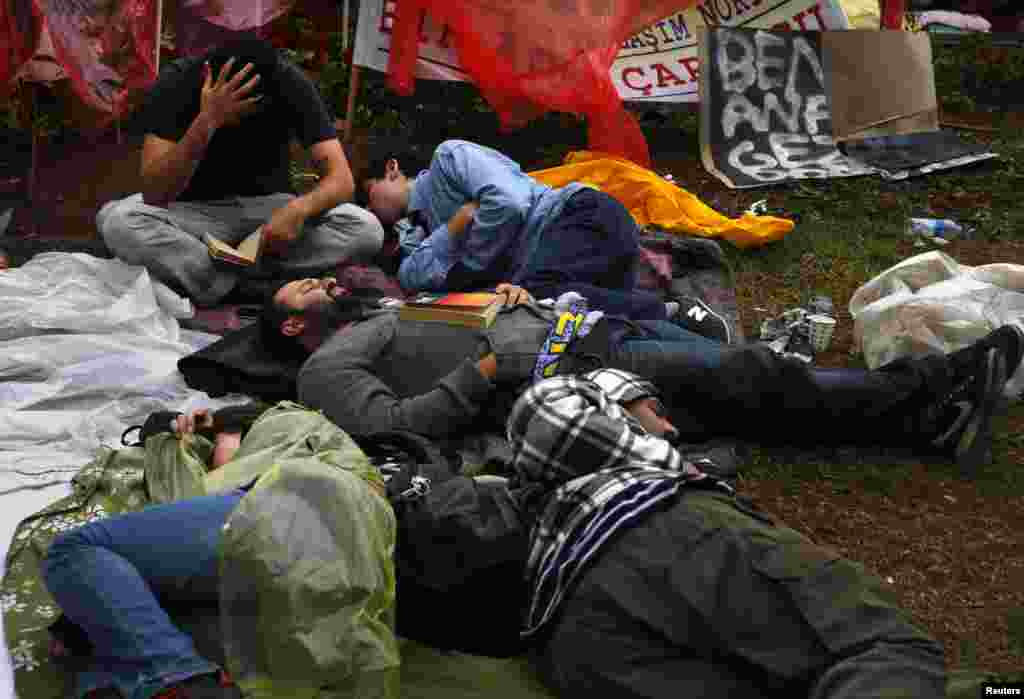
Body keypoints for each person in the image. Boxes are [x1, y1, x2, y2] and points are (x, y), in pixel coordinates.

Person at [266, 275, 1024, 473]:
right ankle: (937, 388)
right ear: (293, 327)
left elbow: (443, 332)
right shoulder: (325, 369)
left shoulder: (381, 311)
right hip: (571, 370)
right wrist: (487, 367)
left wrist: (501, 302)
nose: (325, 285)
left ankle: (923, 418)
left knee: (744, 389)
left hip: (578, 333)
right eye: (304, 291)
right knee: (752, 376)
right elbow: (397, 427)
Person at [506, 368, 946, 698]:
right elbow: (877, 648)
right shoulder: (686, 528)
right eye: (656, 412)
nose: (672, 429)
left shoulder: (552, 602)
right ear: (609, 414)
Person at [42, 401, 398, 699]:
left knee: (74, 552)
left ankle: (184, 681)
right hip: (335, 544)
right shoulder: (330, 448)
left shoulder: (286, 428)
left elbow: (202, 489)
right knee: (104, 650)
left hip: (292, 507)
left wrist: (181, 436)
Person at [97, 37, 384, 307]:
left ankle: (219, 274)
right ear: (209, 75)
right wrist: (207, 120)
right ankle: (238, 284)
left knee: (365, 228)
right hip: (192, 211)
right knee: (119, 221)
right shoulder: (178, 81)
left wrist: (299, 209)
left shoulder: (288, 80)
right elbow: (155, 192)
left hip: (269, 216)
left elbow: (341, 179)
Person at [358, 139, 685, 322]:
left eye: (368, 199)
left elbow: (510, 203)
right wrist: (456, 225)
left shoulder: (448, 159)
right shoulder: (411, 235)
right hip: (571, 266)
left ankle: (659, 311)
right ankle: (669, 318)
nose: (373, 213)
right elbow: (412, 279)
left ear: (391, 170)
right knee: (585, 324)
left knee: (534, 291)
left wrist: (471, 265)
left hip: (578, 217)